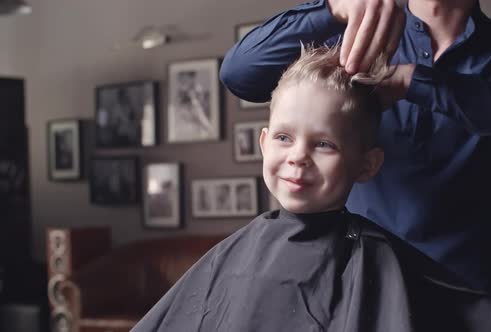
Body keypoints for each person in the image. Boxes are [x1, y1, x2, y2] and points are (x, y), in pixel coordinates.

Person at [219, 0, 491, 299]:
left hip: (468, 303)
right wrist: (332, 8)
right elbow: (239, 73)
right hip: (358, 295)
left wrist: (415, 82)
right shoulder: (353, 36)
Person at [131, 45, 413, 332]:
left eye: (324, 144)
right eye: (284, 137)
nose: (298, 156)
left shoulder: (377, 261)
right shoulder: (232, 253)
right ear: (264, 144)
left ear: (366, 165)